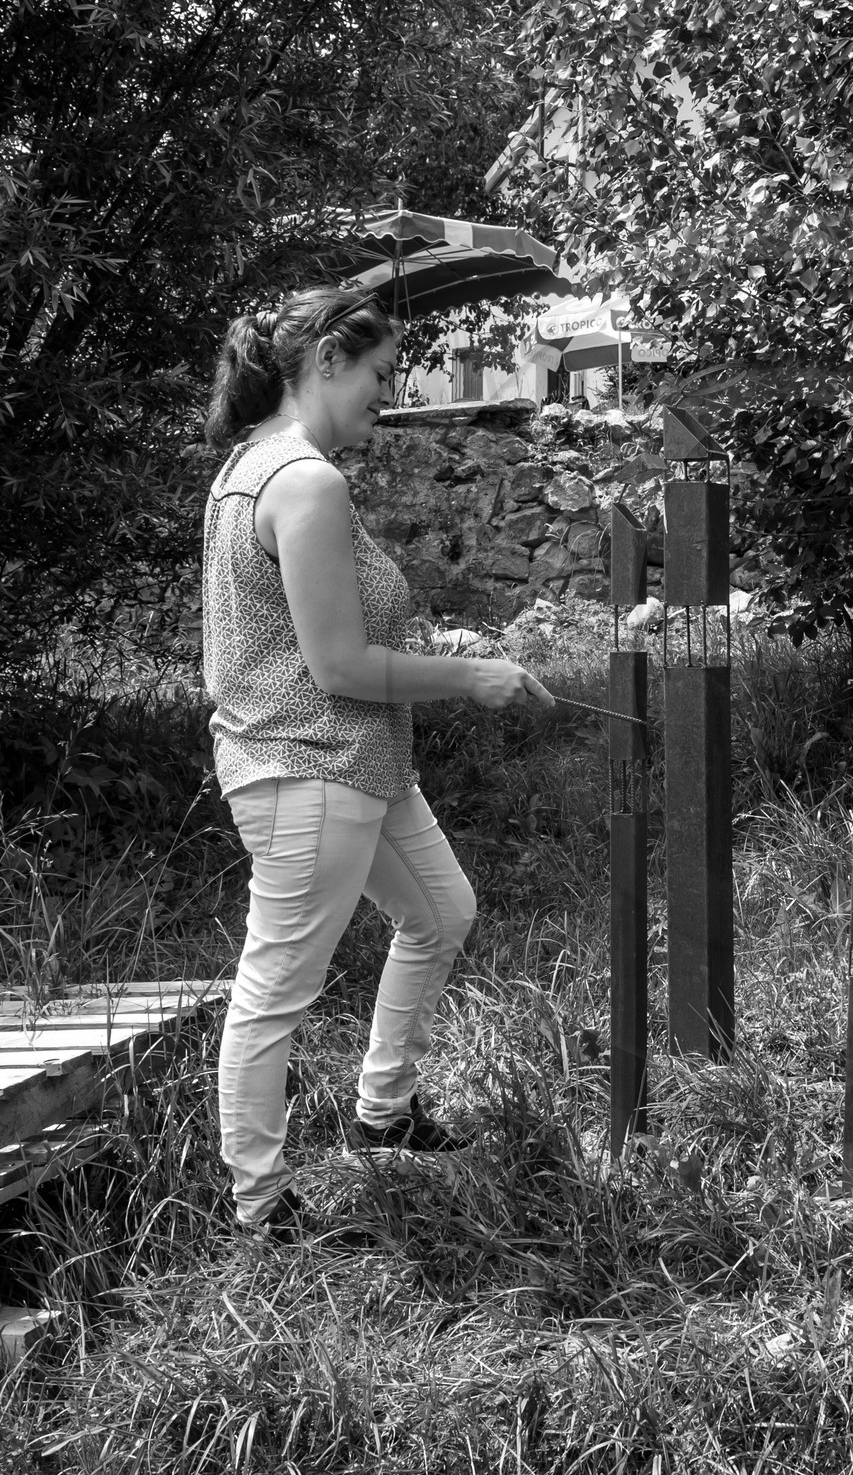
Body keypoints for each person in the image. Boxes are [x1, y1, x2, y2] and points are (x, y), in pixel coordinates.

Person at [202, 285, 556, 1239]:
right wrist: (469, 675)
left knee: (443, 912)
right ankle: (260, 1209)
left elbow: (339, 630)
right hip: (309, 764)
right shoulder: (303, 481)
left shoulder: (257, 466)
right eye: (381, 373)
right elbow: (340, 665)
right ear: (325, 362)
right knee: (275, 990)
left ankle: (384, 1113)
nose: (387, 394)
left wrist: (444, 643)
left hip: (356, 763)